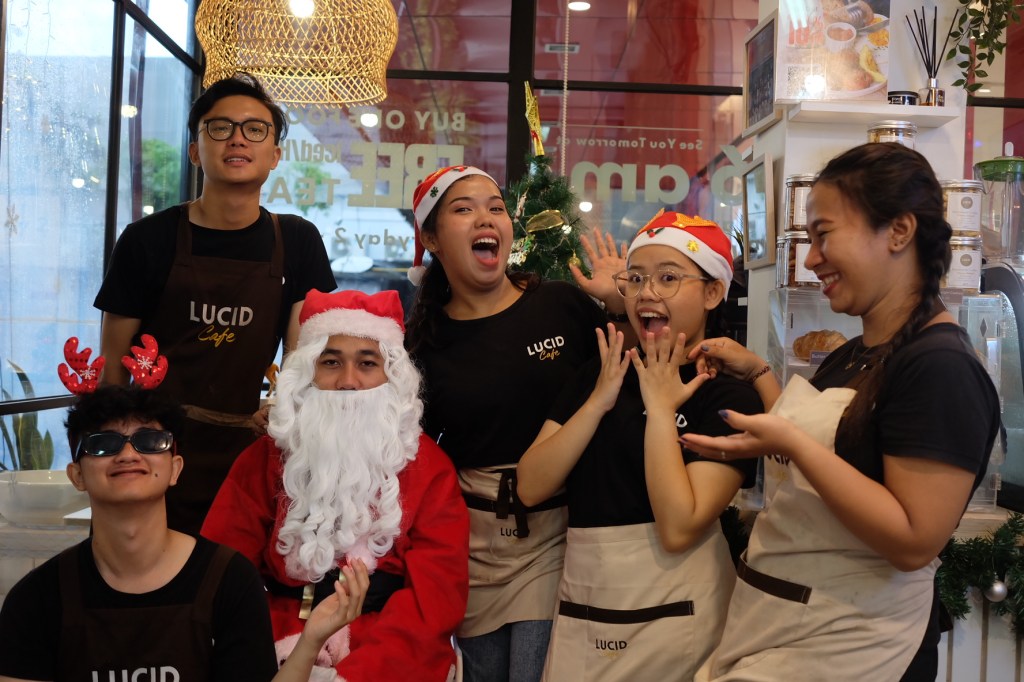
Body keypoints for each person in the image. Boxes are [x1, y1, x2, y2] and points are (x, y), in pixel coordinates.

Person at [682, 142, 1001, 681]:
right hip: (787, 626)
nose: (811, 258)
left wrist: (791, 445)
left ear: (898, 232)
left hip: (855, 645)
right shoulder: (855, 352)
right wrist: (757, 373)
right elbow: (842, 445)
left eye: (824, 235)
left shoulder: (940, 368)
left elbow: (913, 539)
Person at [404, 165, 631, 682]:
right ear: (432, 239)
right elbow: (408, 449)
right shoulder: (423, 343)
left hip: (559, 533)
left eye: (496, 208)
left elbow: (633, 370)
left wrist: (619, 301)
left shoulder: (560, 305)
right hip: (474, 546)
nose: (486, 218)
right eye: (464, 209)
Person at [516, 211, 762, 681]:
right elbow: (530, 486)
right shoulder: (601, 371)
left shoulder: (728, 396)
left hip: (682, 615)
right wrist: (598, 402)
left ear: (713, 293)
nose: (647, 293)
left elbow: (679, 527)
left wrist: (661, 408)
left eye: (668, 278)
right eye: (636, 279)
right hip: (587, 605)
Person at [93, 72, 336, 534]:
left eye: (255, 129)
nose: (237, 139)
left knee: (233, 571)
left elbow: (302, 359)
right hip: (153, 452)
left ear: (275, 155)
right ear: (194, 150)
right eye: (220, 127)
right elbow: (113, 373)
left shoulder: (298, 241)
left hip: (249, 453)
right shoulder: (147, 239)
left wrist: (283, 409)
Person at [0, 383, 369, 682]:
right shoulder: (37, 599)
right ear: (77, 475)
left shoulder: (230, 582)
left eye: (150, 441)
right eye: (103, 444)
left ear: (175, 468)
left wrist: (311, 640)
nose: (128, 454)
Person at [202, 288, 469, 681]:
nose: (348, 382)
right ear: (307, 373)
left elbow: (435, 599)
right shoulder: (264, 459)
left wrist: (358, 675)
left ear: (392, 375)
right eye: (331, 362)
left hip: (390, 652)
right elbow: (222, 573)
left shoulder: (429, 466)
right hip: (275, 642)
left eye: (367, 363)